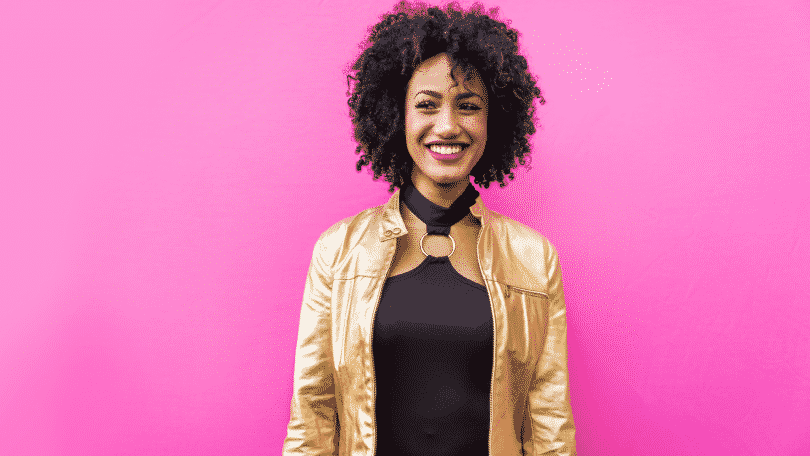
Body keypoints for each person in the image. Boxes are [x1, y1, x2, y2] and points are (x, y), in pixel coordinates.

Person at [282, 1, 575, 455]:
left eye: (468, 105)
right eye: (426, 105)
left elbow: (549, 426)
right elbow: (313, 413)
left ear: (493, 118)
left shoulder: (534, 258)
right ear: (395, 115)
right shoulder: (338, 252)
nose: (447, 125)